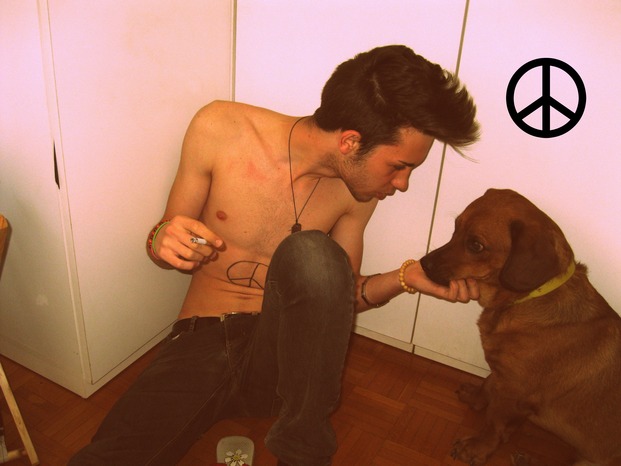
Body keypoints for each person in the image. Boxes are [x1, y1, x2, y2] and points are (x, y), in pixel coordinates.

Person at [69, 44, 480, 466]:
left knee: (312, 253)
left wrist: (406, 278)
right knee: (112, 456)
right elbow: (165, 238)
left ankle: (302, 456)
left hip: (287, 368)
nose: (403, 184)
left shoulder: (359, 194)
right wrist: (161, 239)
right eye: (398, 166)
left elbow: (338, 301)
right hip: (203, 341)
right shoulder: (220, 129)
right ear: (350, 141)